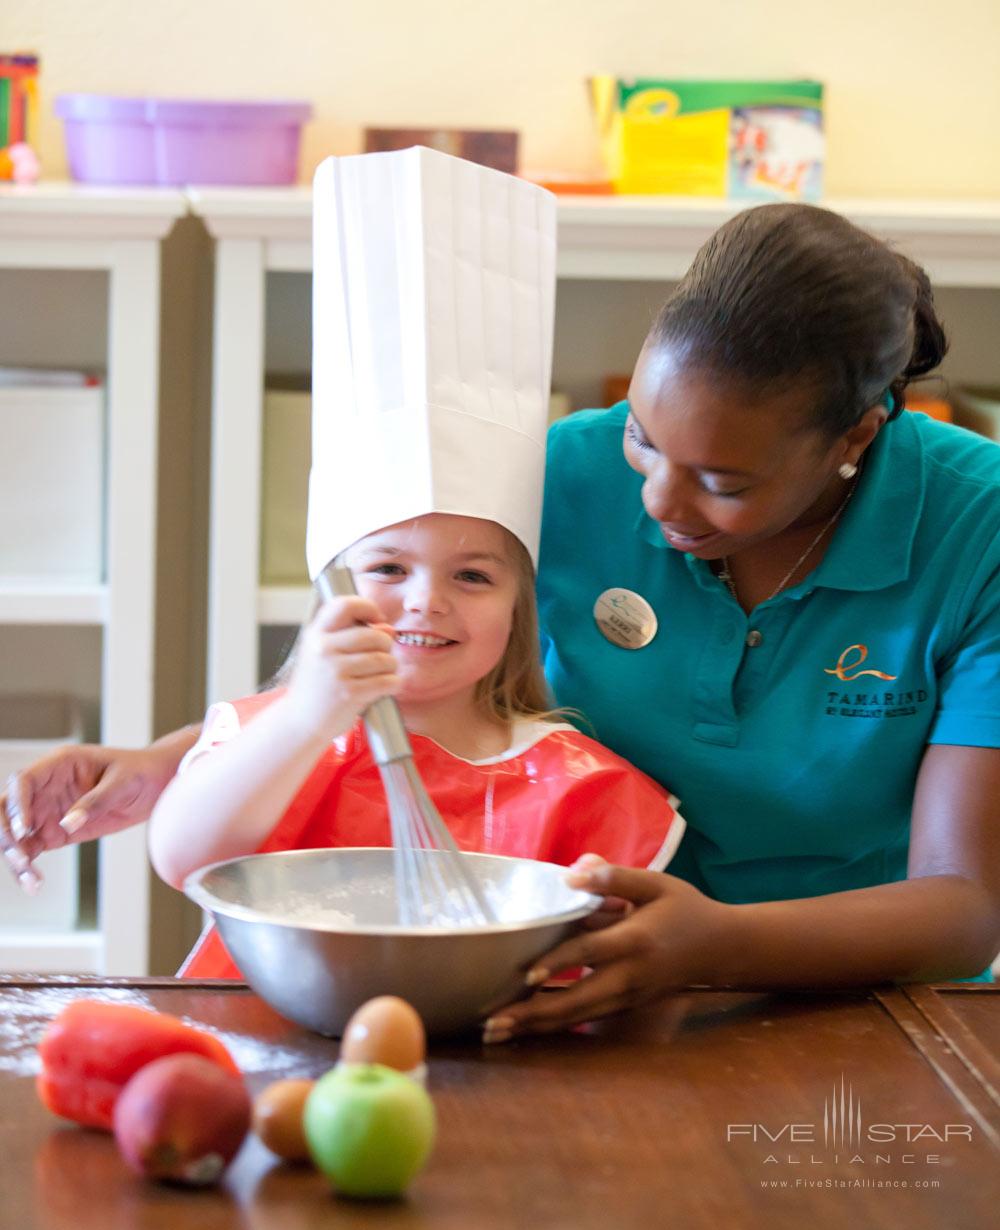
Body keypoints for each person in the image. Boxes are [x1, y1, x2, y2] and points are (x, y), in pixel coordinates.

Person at [4, 203, 1000, 1037]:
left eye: (721, 481)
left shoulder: (978, 530)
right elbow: (411, 651)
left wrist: (717, 941)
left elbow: (964, 904)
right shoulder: (560, 469)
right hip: (570, 989)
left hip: (856, 1003)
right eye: (644, 441)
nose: (659, 501)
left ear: (858, 434)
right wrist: (172, 759)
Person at [149, 512, 682, 977]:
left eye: (473, 576)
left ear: (519, 608)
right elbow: (182, 859)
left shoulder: (579, 783)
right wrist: (306, 717)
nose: (426, 601)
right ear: (332, 592)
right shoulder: (278, 740)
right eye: (389, 569)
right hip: (269, 1057)